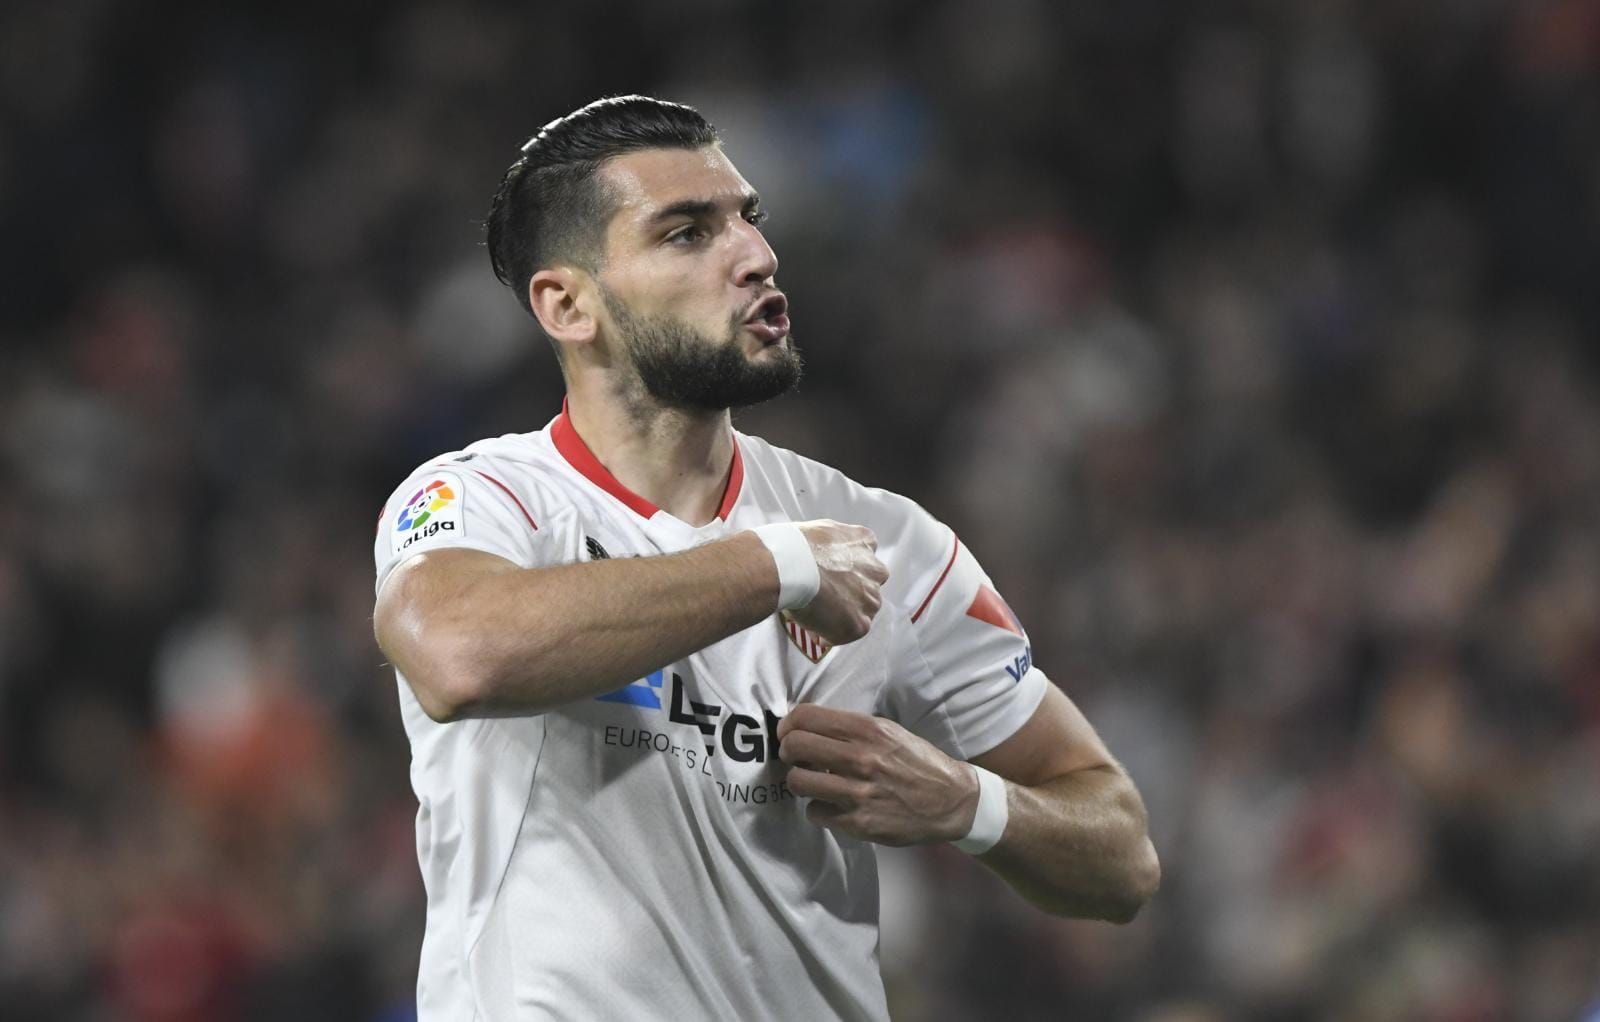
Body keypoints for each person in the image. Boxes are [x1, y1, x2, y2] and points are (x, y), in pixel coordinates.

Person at [372, 94, 1159, 1021]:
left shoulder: (888, 540)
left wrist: (967, 802)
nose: (754, 256)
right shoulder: (489, 500)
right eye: (685, 234)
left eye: (749, 218)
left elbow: (1122, 858)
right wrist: (775, 567)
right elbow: (460, 655)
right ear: (569, 304)